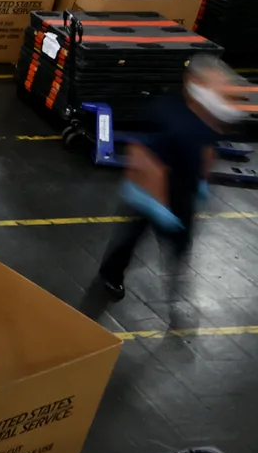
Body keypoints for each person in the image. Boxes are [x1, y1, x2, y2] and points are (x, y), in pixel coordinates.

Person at [94, 55, 245, 302]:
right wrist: (157, 204)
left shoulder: (207, 116)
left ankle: (177, 276)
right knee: (130, 236)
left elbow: (207, 147)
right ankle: (110, 275)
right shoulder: (166, 113)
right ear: (193, 83)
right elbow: (143, 157)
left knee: (181, 240)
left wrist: (201, 181)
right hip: (150, 190)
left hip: (183, 186)